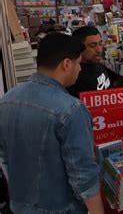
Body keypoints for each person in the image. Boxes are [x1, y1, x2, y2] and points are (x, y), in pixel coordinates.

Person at [0, 33, 102, 214]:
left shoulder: (7, 100)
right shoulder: (71, 109)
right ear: (66, 64)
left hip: (18, 206)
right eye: (78, 63)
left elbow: (5, 158)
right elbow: (84, 177)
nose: (79, 69)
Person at [67, 26, 111, 98]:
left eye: (100, 44)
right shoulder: (74, 78)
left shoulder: (97, 64)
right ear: (79, 48)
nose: (99, 50)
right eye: (93, 45)